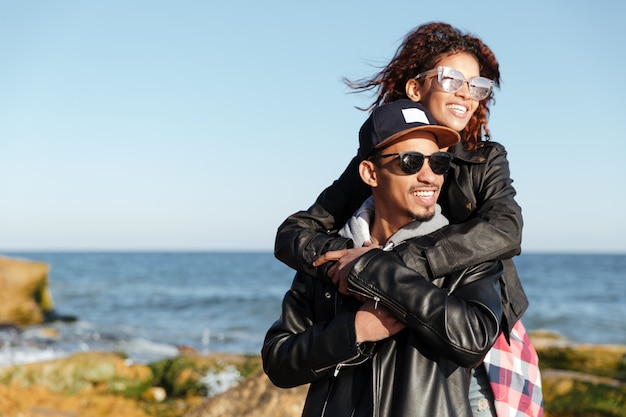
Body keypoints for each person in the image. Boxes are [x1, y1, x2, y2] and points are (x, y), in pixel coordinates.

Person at [273, 22, 543, 417]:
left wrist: (392, 263)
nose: (466, 93)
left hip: (480, 320)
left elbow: (505, 229)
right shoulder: (375, 158)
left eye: (476, 85)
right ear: (416, 88)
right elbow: (296, 232)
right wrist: (343, 259)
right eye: (452, 80)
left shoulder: (486, 158)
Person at [263, 100, 505, 416]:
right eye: (411, 161)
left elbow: (474, 338)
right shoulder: (331, 253)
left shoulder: (465, 252)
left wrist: (375, 269)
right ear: (370, 173)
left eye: (439, 162)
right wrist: (354, 331)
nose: (429, 176)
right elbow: (279, 361)